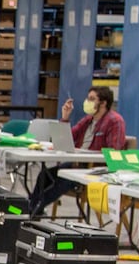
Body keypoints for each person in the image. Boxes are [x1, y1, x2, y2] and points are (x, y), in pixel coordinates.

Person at [27, 86, 127, 215]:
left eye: (92, 99)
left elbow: (114, 151)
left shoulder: (115, 121)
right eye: (88, 98)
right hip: (78, 163)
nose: (88, 102)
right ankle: (34, 209)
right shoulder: (88, 120)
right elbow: (67, 138)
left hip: (95, 168)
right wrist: (65, 117)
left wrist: (89, 155)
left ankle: (32, 210)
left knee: (63, 181)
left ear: (103, 103)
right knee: (44, 175)